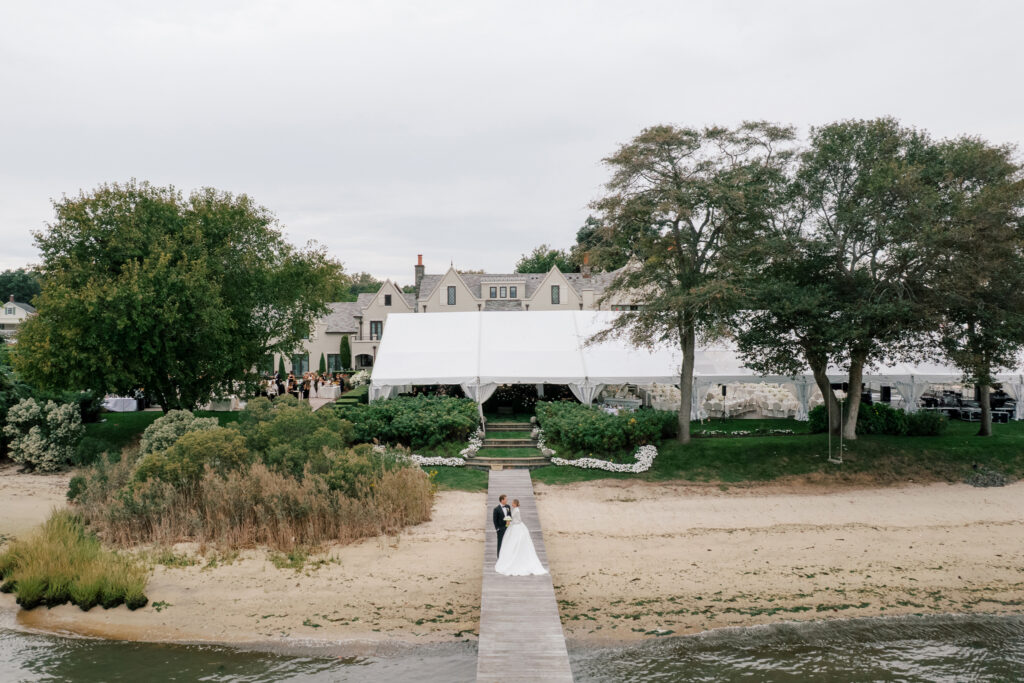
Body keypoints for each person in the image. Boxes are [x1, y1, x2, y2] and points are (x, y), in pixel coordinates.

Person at [494, 499, 548, 576]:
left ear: (515, 504)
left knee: (515, 542)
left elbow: (519, 520)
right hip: (513, 526)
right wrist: (509, 521)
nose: (511, 504)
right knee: (510, 542)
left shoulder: (517, 511)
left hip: (517, 527)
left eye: (513, 503)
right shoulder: (514, 509)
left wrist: (511, 522)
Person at [492, 494, 511, 559]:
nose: (507, 500)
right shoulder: (496, 509)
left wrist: (509, 523)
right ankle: (499, 557)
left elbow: (510, 516)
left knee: (508, 542)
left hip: (508, 528)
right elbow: (494, 520)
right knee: (500, 543)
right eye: (506, 499)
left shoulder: (508, 507)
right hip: (500, 529)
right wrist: (497, 529)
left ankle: (506, 556)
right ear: (502, 500)